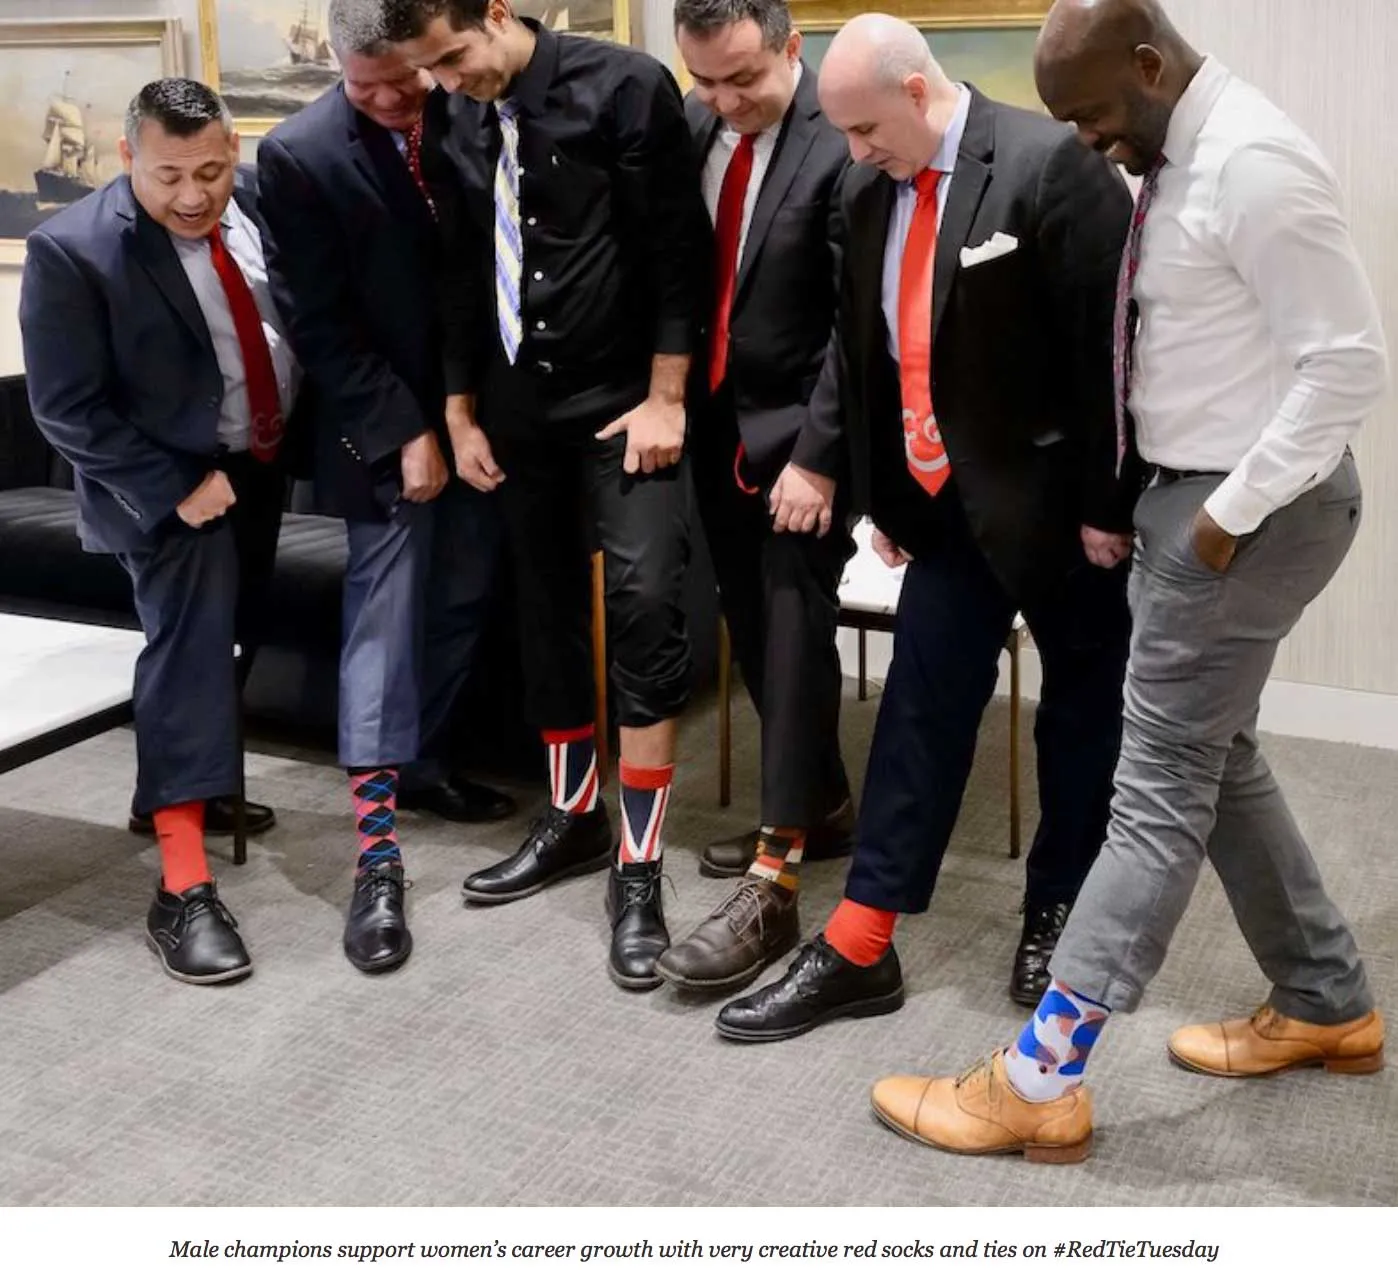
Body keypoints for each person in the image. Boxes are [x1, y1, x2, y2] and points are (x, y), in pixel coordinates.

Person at [869, 0, 1389, 1165]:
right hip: (1192, 499)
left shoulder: (1251, 161)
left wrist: (1221, 518)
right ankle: (1324, 997)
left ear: (1150, 63)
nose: (1090, 144)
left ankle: (1039, 1078)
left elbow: (1349, 359)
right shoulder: (1178, 147)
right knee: (1216, 759)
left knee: (1151, 788)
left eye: (1098, 116)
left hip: (1242, 512)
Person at [715, 13, 1135, 1042]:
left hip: (1060, 511)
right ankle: (861, 944)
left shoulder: (1049, 166)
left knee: (1080, 717)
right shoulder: (867, 191)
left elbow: (1110, 355)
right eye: (840, 133)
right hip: (943, 509)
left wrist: (1106, 508)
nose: (851, 153)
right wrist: (890, 504)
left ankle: (1057, 914)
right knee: (918, 713)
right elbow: (866, 358)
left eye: (862, 130)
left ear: (914, 92)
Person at [380, 0, 708, 989]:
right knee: (544, 610)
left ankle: (639, 865)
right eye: (426, 72)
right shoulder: (455, 115)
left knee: (647, 607)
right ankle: (570, 817)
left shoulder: (624, 87)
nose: (445, 83)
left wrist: (667, 395)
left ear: (492, 11)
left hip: (624, 404)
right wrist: (461, 410)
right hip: (518, 410)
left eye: (453, 57)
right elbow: (459, 272)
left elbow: (680, 253)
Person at [19, 79, 302, 985]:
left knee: (238, 630)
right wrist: (174, 487)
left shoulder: (252, 199)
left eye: (212, 171)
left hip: (256, 467)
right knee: (186, 655)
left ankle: (181, 793)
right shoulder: (74, 250)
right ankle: (181, 886)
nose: (194, 196)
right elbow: (62, 408)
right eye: (170, 174)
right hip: (164, 487)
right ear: (126, 159)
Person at [258, 0, 516, 975]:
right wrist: (404, 427)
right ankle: (377, 854)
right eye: (366, 87)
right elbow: (316, 320)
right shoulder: (299, 155)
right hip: (378, 426)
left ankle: (426, 763)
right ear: (336, 68)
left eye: (403, 80)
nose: (391, 101)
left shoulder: (472, 109)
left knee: (464, 595)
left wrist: (469, 414)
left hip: (485, 413)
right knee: (387, 611)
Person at [652, 0, 856, 993]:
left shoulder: (839, 140)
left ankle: (775, 882)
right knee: (754, 626)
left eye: (746, 79)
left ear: (792, 49)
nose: (725, 102)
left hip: (807, 439)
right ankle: (821, 806)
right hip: (716, 429)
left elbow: (861, 323)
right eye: (706, 81)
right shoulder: (695, 128)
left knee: (788, 625)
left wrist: (818, 457)